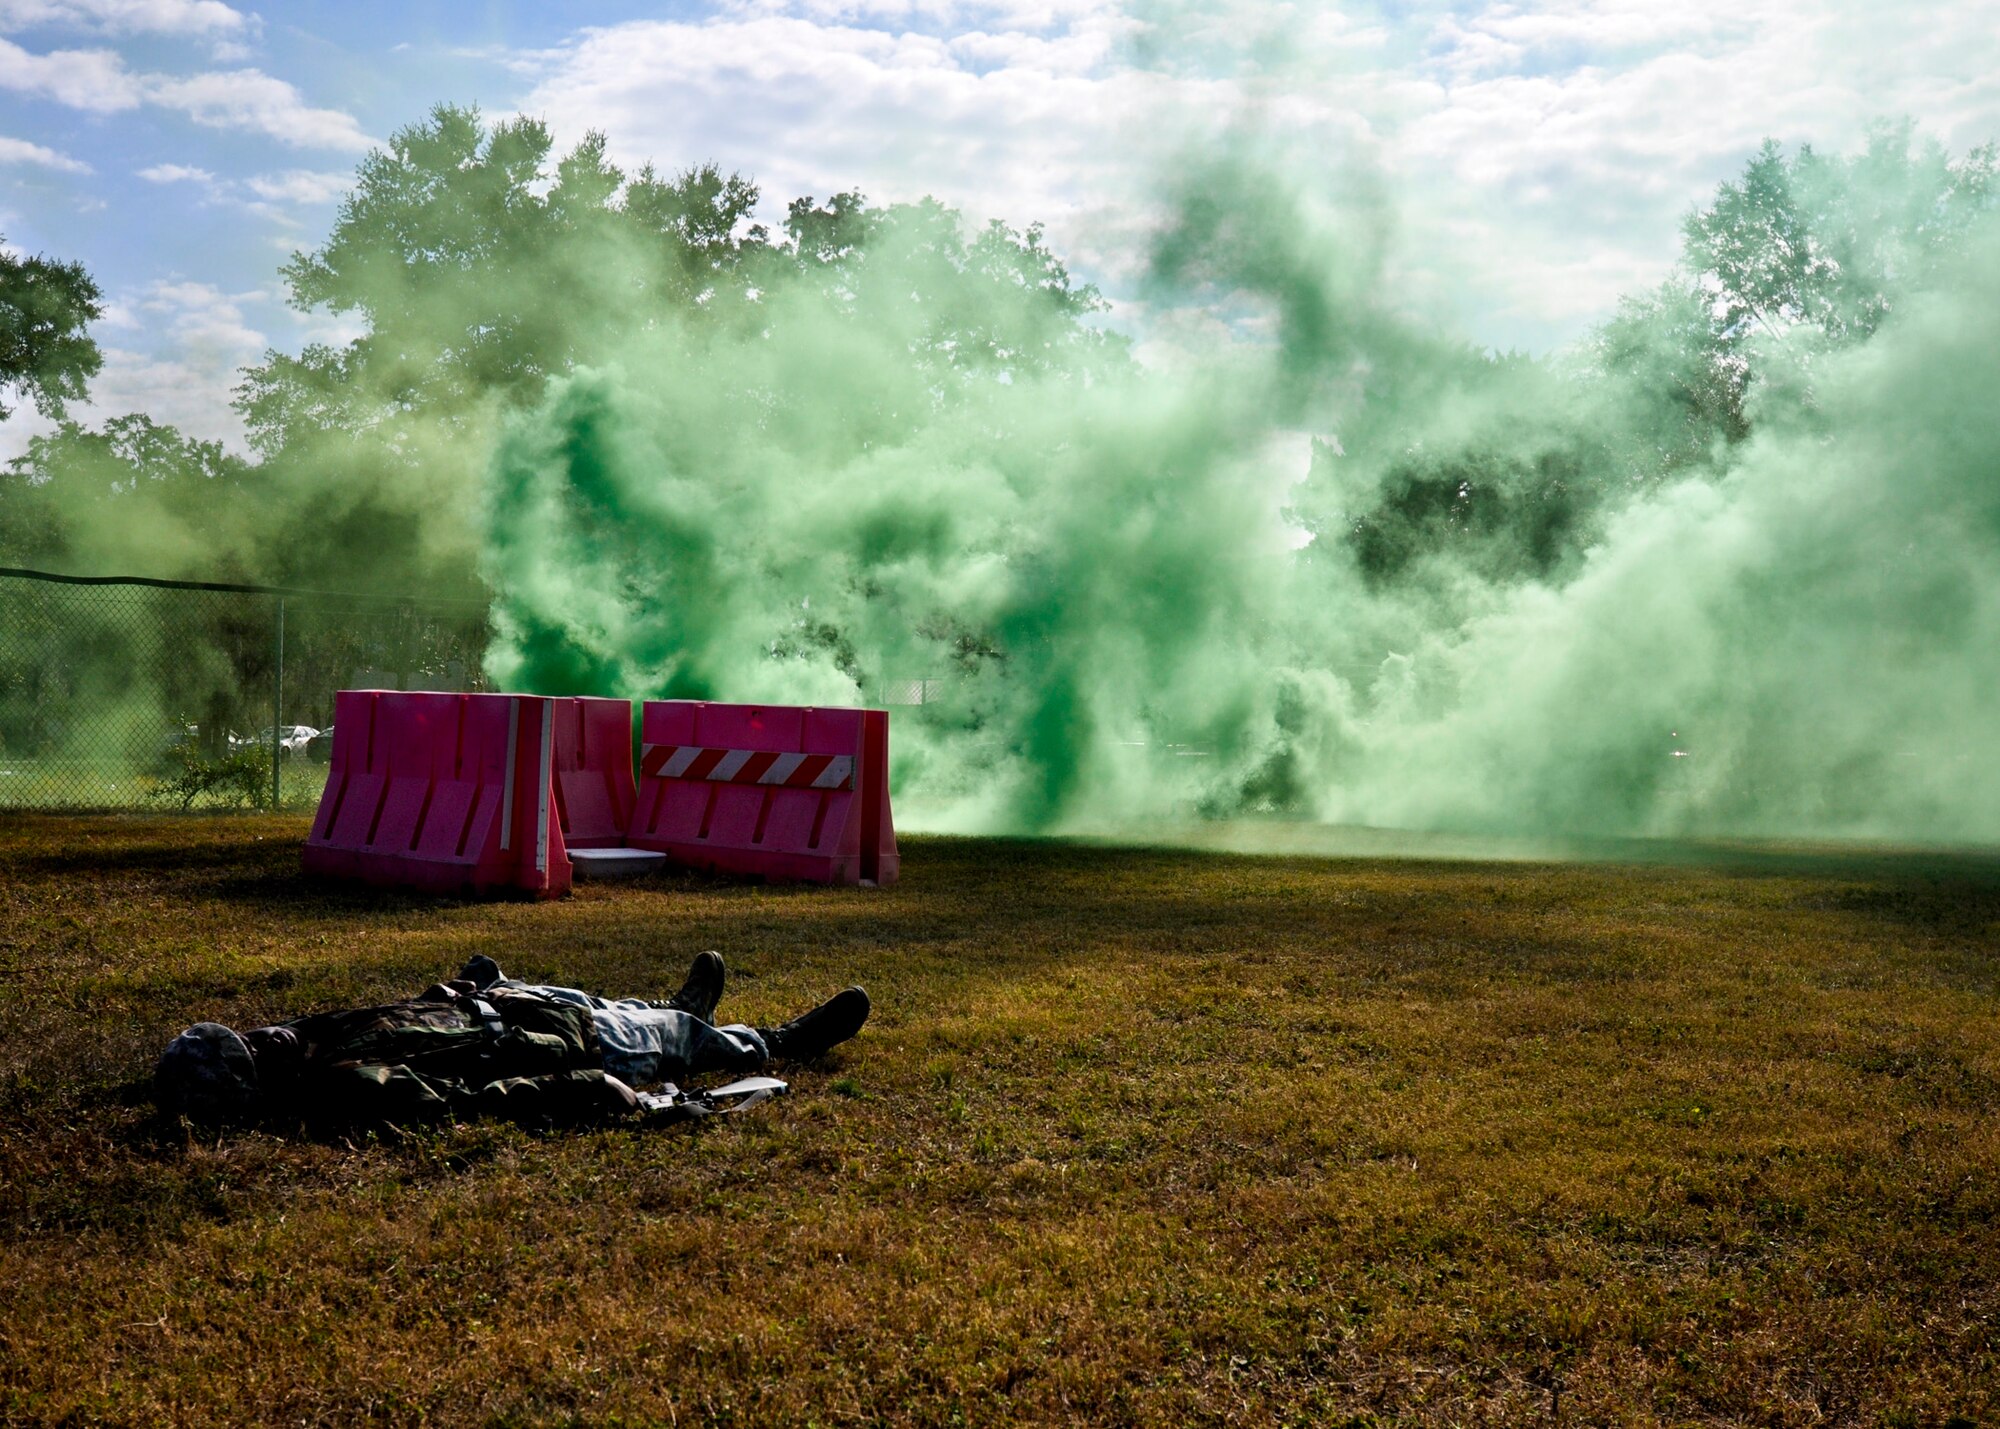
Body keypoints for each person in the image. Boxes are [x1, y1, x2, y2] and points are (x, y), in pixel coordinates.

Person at [155, 951, 869, 1130]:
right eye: (254, 1050)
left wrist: (460, 990)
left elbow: (407, 1019)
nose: (268, 1036)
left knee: (626, 1008)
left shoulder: (304, 1042)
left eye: (249, 1036)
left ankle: (676, 1009)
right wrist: (587, 1090)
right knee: (679, 1038)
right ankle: (775, 1041)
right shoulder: (344, 1079)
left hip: (515, 1004)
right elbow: (466, 1101)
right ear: (254, 1083)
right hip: (560, 1045)